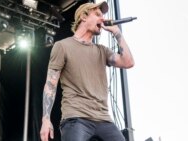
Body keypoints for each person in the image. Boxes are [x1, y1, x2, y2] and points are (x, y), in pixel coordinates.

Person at [40, 1, 134, 141]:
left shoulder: (102, 51)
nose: (102, 18)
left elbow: (128, 62)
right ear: (83, 17)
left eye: (102, 15)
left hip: (104, 119)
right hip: (76, 118)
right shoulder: (62, 46)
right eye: (97, 14)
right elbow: (50, 85)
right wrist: (46, 119)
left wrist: (117, 33)